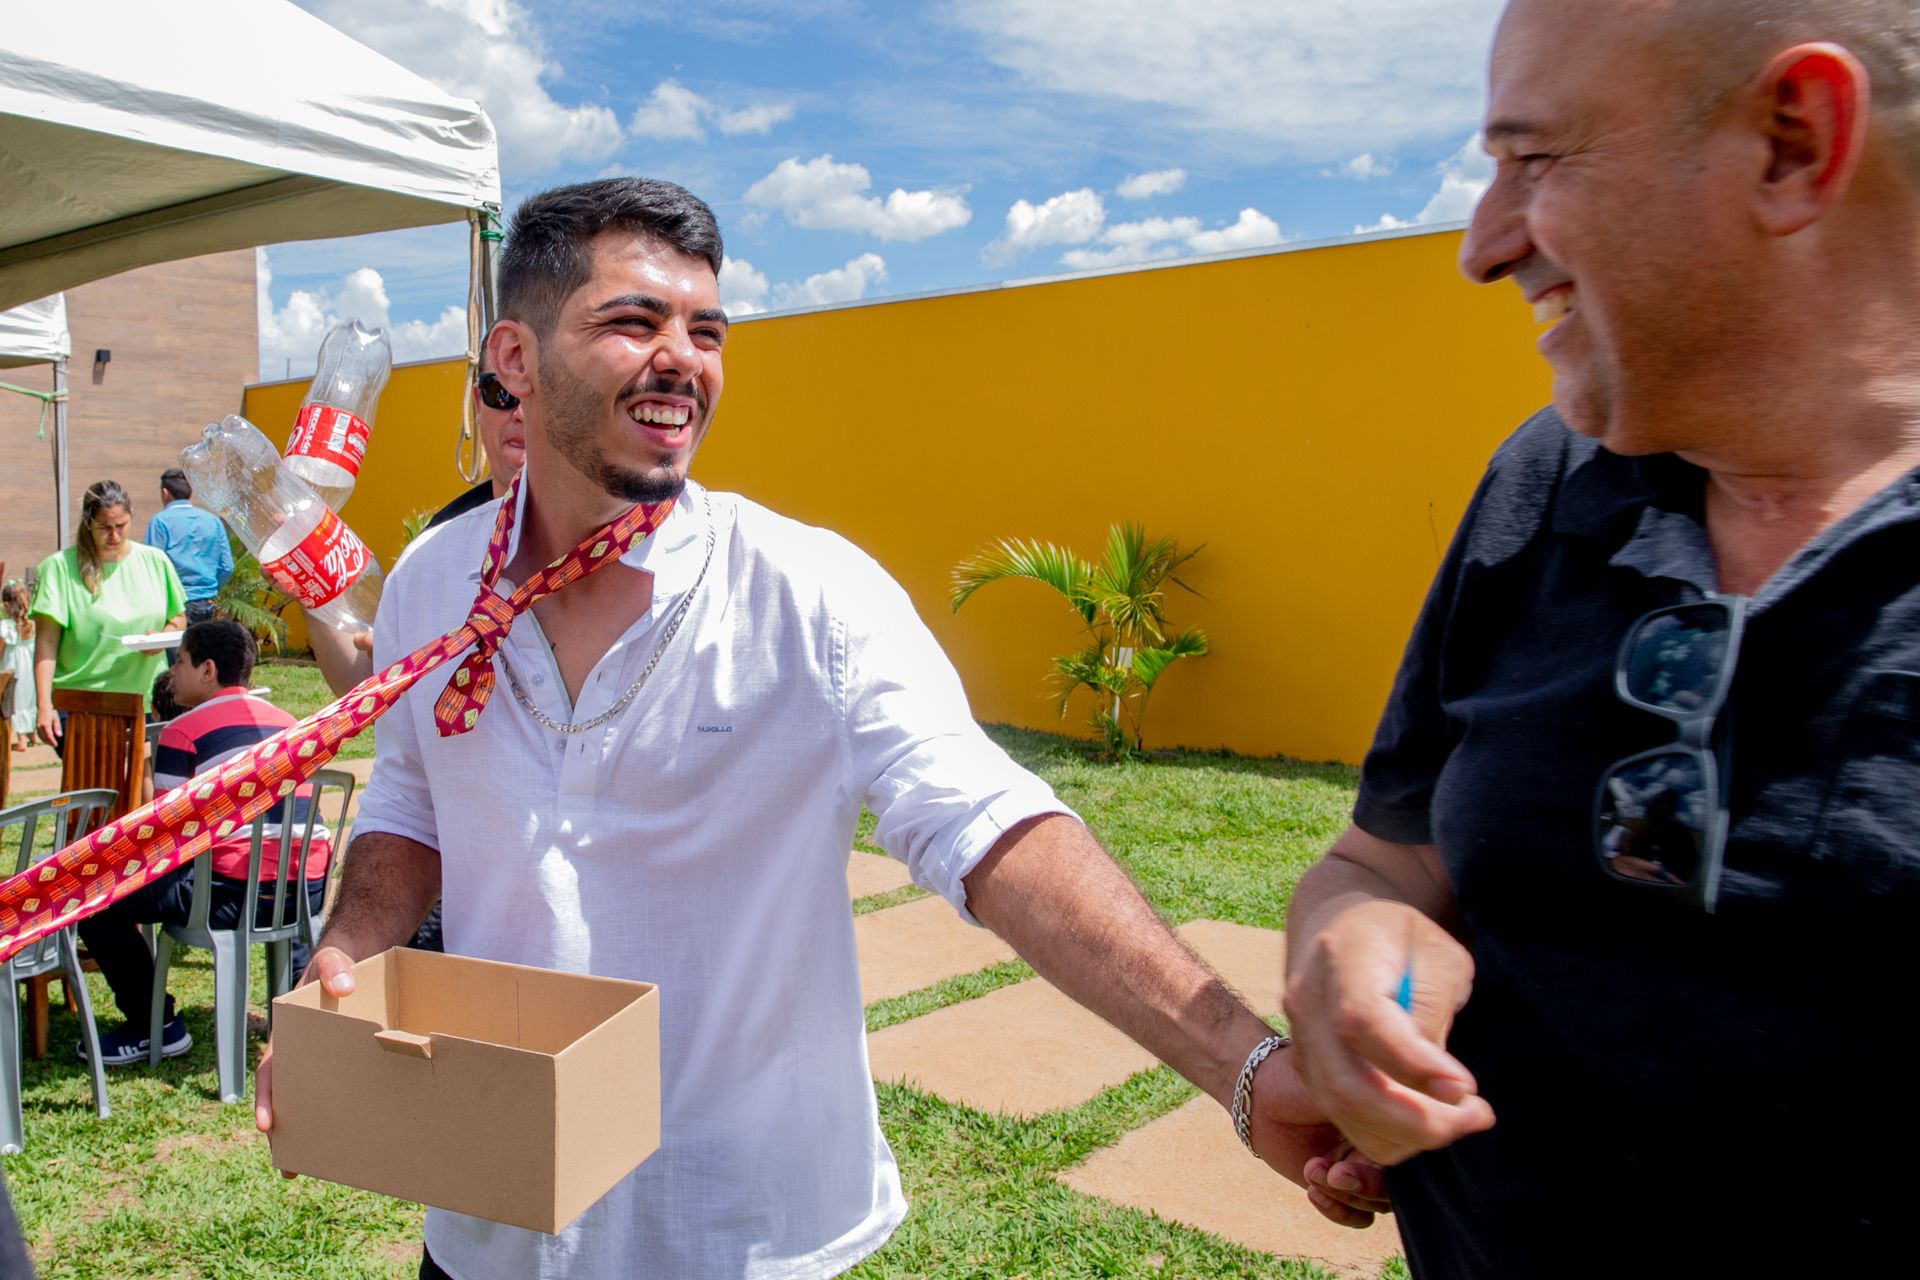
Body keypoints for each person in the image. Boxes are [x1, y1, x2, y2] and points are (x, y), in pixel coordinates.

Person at [254, 178, 1388, 1280]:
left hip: (745, 1231)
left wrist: (1242, 1064)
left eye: (708, 329)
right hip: (490, 1225)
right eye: (632, 321)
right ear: (515, 359)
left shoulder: (811, 592)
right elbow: (407, 801)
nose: (683, 360)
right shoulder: (432, 584)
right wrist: (350, 952)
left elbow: (991, 830)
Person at [1279, 1, 1920, 1276]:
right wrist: (1351, 946)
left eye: (1536, 159)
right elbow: (1382, 860)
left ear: (1793, 140)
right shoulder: (1546, 482)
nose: (1481, 245)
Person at [75, 620, 331, 1066]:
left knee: (95, 902)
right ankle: (304, 1023)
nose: (171, 673)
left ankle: (152, 1026)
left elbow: (163, 840)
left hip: (229, 897)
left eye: (178, 661)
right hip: (305, 895)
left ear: (207, 669)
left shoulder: (184, 730)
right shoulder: (292, 724)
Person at [30, 481, 185, 747]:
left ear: (132, 515)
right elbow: (46, 643)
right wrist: (44, 705)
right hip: (83, 703)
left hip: (146, 701)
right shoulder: (57, 568)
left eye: (121, 526)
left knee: (145, 785)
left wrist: (161, 637)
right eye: (104, 528)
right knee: (97, 786)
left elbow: (177, 619)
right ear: (88, 522)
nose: (114, 535)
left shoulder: (155, 561)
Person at [145, 468, 232, 625]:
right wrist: (209, 590)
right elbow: (226, 567)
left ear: (165, 493)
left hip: (175, 607)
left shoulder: (159, 522)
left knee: (176, 649)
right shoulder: (213, 521)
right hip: (208, 604)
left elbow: (152, 567)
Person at [1, 582, 33, 752]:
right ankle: (32, 734)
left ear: (6, 605)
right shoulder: (32, 625)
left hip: (12, 667)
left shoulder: (5, 626)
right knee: (29, 699)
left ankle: (21, 740)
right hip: (29, 669)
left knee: (14, 700)